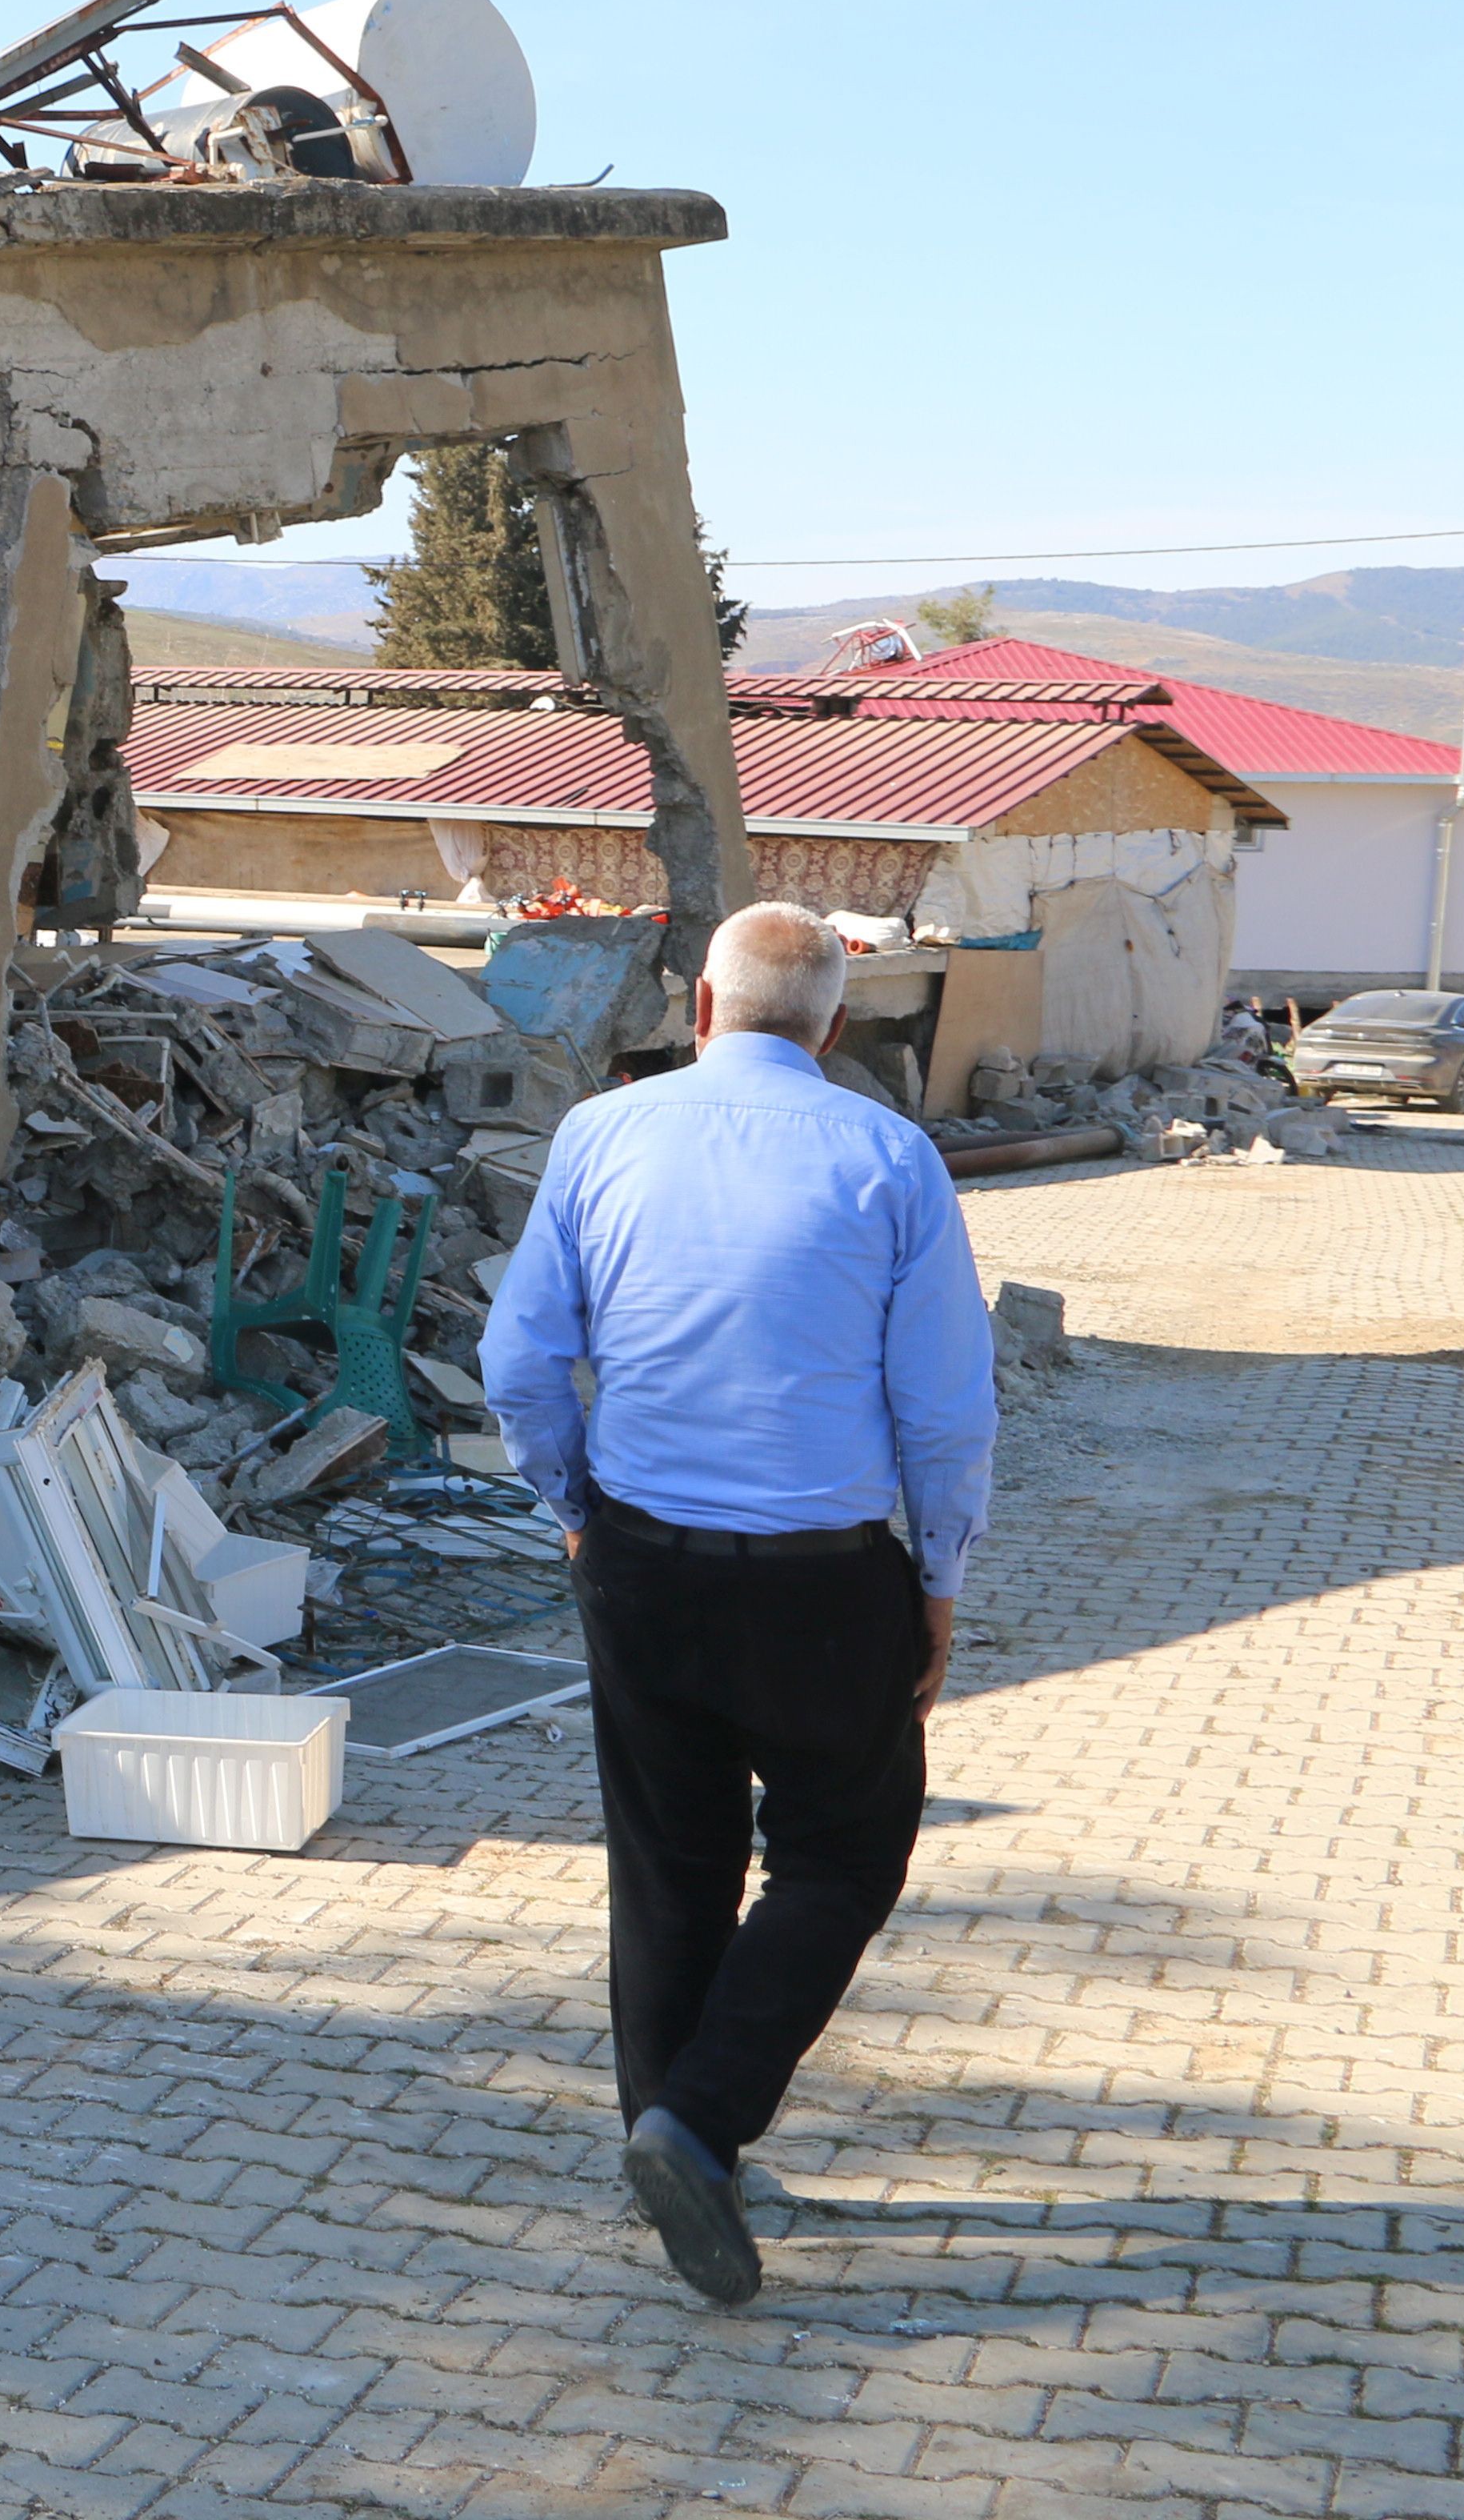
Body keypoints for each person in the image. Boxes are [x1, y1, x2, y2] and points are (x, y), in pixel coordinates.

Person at [480, 900, 996, 2305]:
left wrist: (576, 1510)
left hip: (642, 1563)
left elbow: (520, 1360)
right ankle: (697, 2128)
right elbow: (943, 1407)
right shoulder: (891, 1158)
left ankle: (671, 2138)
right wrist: (939, 1577)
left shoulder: (601, 1134)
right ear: (835, 1027)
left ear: (696, 1012)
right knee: (843, 1856)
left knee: (670, 1866)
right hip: (826, 1583)